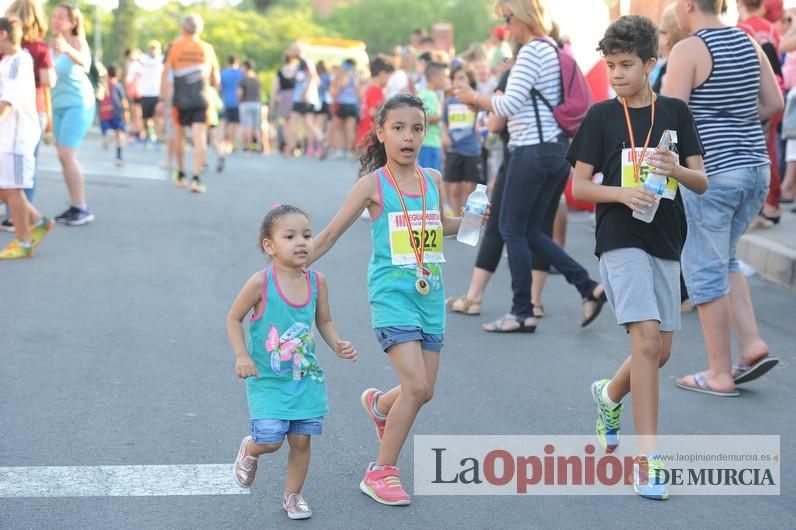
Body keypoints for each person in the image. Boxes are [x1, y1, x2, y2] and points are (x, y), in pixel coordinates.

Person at [310, 94, 488, 506]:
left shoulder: (432, 179)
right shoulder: (373, 185)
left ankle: (379, 405)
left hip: (430, 293)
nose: (408, 137)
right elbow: (331, 233)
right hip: (392, 295)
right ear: (381, 133)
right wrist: (293, 262)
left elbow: (440, 225)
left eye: (417, 128)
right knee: (416, 385)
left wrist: (473, 219)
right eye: (398, 128)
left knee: (423, 392)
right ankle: (381, 471)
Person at [569, 15, 708, 500]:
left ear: (651, 63)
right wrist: (622, 194)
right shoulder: (602, 117)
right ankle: (650, 461)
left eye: (626, 65)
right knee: (646, 340)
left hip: (667, 239)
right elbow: (580, 185)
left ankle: (608, 395)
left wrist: (674, 168)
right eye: (610, 65)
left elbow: (701, 180)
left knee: (659, 352)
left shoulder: (675, 113)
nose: (617, 74)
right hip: (619, 237)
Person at [455, 0, 607, 333]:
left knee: (511, 229)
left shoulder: (531, 52)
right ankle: (587, 286)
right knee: (530, 231)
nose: (506, 27)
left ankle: (522, 310)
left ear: (522, 17)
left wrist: (474, 98)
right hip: (554, 150)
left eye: (508, 19)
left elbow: (509, 104)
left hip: (531, 151)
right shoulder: (552, 50)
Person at [664, 0, 782, 395]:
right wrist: (738, 125)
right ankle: (751, 344)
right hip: (755, 169)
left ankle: (718, 372)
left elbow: (671, 119)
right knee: (726, 256)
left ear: (686, 6)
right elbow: (774, 104)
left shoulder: (688, 50)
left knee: (703, 268)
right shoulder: (748, 42)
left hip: (712, 174)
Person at [227, 205, 357, 520]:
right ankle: (251, 449)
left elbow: (324, 321)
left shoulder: (318, 282)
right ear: (269, 246)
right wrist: (242, 355)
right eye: (290, 236)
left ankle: (293, 496)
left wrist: (338, 342)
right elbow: (233, 318)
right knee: (270, 440)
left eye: (307, 235)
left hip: (305, 379)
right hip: (268, 379)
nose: (301, 242)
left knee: (301, 441)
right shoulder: (260, 283)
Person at [0, 16, 53, 259]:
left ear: (2, 35)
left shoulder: (18, 61)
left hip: (15, 136)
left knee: (11, 189)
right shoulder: (8, 61)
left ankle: (23, 242)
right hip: (7, 136)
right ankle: (38, 223)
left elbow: (7, 102)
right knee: (5, 188)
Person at [737, 0, 785, 225]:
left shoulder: (742, 29)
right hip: (776, 89)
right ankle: (772, 203)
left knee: (754, 151)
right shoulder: (773, 28)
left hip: (754, 97)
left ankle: (758, 207)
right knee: (771, 150)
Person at [161, 13, 220, 193]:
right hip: (202, 98)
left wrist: (163, 98)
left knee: (179, 135)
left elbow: (165, 74)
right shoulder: (207, 48)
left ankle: (181, 174)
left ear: (182, 28)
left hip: (181, 99)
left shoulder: (175, 47)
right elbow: (216, 79)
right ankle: (196, 178)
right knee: (199, 137)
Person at [50, 3, 95, 226]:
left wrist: (66, 49)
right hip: (57, 106)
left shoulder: (77, 43)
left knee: (67, 155)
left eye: (62, 17)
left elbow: (86, 63)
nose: (56, 21)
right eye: (54, 17)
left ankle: (82, 208)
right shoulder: (48, 45)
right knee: (61, 156)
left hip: (78, 104)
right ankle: (75, 206)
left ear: (73, 22)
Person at [442, 64, 482, 214]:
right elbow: (445, 123)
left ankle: (468, 220)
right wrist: (445, 137)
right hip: (454, 149)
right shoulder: (449, 102)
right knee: (454, 189)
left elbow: (482, 122)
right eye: (454, 78)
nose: (457, 81)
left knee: (469, 189)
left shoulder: (476, 100)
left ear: (470, 81)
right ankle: (457, 219)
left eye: (461, 78)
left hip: (472, 150)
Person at [356, 55, 393, 152]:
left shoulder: (370, 88)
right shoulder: (377, 90)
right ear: (382, 74)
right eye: (388, 77)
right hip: (370, 133)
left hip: (364, 132)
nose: (389, 81)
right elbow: (372, 112)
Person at [416, 62, 446, 172]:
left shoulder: (428, 94)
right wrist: (442, 116)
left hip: (432, 143)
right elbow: (424, 117)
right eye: (443, 76)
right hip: (429, 143)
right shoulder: (428, 95)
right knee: (429, 177)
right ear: (434, 78)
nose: (444, 80)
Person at [98, 64, 128, 167]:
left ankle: (108, 134)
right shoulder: (118, 85)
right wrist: (126, 113)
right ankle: (119, 157)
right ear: (118, 75)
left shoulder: (103, 85)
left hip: (105, 113)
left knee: (107, 130)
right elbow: (123, 101)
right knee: (120, 134)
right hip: (117, 113)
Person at [330, 58, 359, 159]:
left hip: (342, 103)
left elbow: (337, 89)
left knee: (338, 128)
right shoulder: (355, 75)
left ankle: (340, 150)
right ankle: (349, 150)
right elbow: (358, 92)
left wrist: (334, 98)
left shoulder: (344, 75)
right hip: (353, 104)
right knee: (350, 128)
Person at [138, 41, 163, 145]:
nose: (153, 50)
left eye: (155, 48)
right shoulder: (144, 58)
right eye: (151, 48)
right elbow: (137, 57)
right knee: (145, 118)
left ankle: (157, 138)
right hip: (145, 93)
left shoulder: (162, 59)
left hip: (157, 93)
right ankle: (149, 134)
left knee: (158, 117)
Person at [238, 60, 263, 156]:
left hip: (246, 103)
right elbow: (260, 93)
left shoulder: (243, 80)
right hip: (256, 104)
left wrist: (239, 101)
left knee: (248, 127)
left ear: (246, 67)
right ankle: (260, 146)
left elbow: (240, 93)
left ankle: (249, 149)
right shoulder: (257, 79)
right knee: (256, 126)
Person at [220, 55, 243, 153]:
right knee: (237, 124)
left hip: (226, 101)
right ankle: (236, 144)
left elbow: (219, 87)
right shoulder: (240, 73)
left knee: (228, 123)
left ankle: (228, 144)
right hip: (239, 102)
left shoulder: (223, 73)